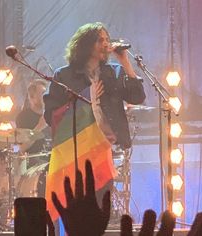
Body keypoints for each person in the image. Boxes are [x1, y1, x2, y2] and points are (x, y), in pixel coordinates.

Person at [44, 22, 146, 221]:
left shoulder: (114, 71)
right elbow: (50, 115)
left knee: (100, 211)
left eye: (107, 39)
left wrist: (125, 62)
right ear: (86, 44)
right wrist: (84, 100)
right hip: (76, 154)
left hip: (104, 150)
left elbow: (137, 97)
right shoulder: (63, 75)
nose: (106, 44)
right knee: (76, 212)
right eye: (100, 40)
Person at [16, 79, 50, 168]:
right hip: (34, 164)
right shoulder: (23, 117)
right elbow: (22, 147)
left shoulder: (51, 113)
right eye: (42, 93)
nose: (46, 96)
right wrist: (39, 127)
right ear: (32, 97)